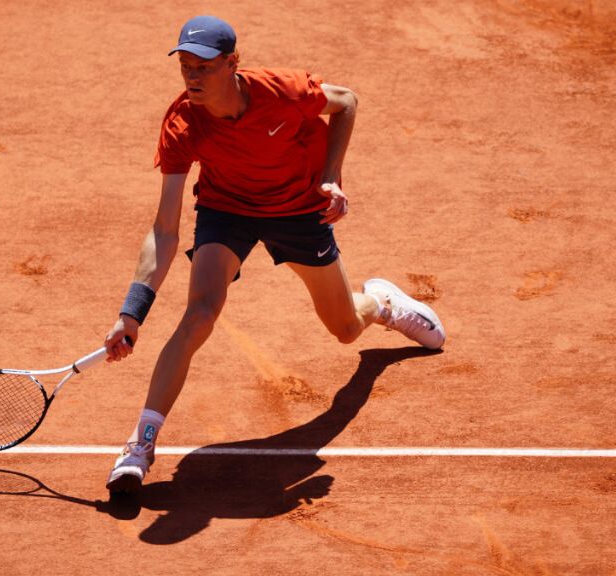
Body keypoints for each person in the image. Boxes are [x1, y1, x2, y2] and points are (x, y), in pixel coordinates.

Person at [102, 15, 445, 496]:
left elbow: (346, 103)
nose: (193, 76)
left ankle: (382, 303)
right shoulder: (182, 122)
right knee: (199, 313)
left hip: (299, 209)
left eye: (203, 66)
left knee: (346, 329)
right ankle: (140, 445)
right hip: (227, 210)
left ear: (232, 63)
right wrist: (132, 312)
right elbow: (164, 229)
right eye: (185, 66)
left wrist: (332, 174)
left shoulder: (282, 91)